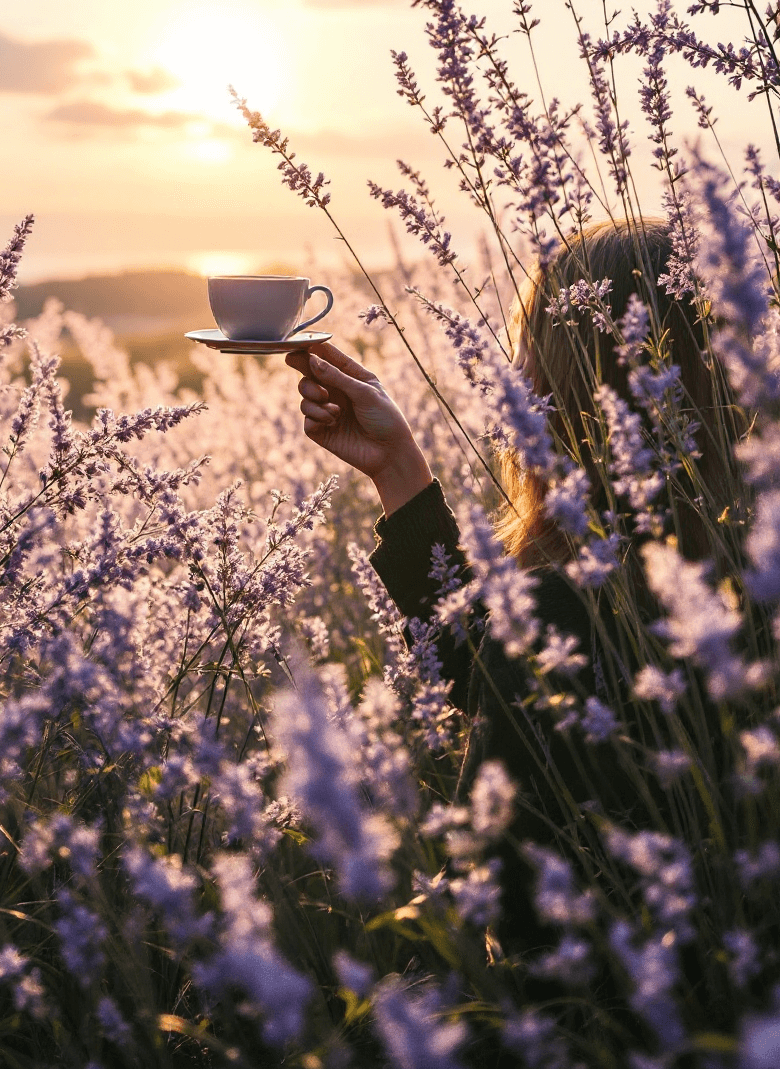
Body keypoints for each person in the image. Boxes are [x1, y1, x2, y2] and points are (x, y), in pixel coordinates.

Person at [285, 221, 741, 839]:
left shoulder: (565, 609)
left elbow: (501, 902)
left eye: (530, 351)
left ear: (583, 390)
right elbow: (485, 669)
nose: (512, 380)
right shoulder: (741, 568)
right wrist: (398, 469)